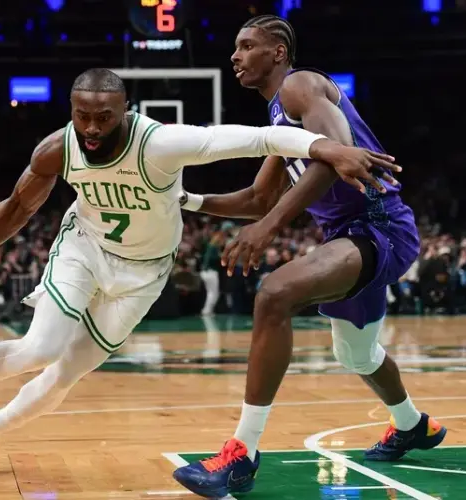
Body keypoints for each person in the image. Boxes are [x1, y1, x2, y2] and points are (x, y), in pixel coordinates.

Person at [0, 68, 399, 477]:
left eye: (103, 118)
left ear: (124, 112)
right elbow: (16, 206)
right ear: (72, 111)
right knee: (41, 348)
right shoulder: (58, 148)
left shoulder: (159, 144)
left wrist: (327, 148)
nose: (91, 128)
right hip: (84, 250)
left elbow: (256, 137)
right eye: (82, 116)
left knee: (65, 376)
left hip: (144, 273)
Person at [172, 16, 446, 498]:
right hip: (347, 235)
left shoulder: (300, 86)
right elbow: (256, 200)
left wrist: (269, 227)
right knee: (355, 354)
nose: (235, 56)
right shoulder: (278, 124)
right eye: (235, 47)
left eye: (246, 45)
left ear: (277, 52)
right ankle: (412, 425)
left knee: (274, 293)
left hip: (379, 225)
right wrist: (186, 200)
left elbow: (336, 156)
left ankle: (242, 454)